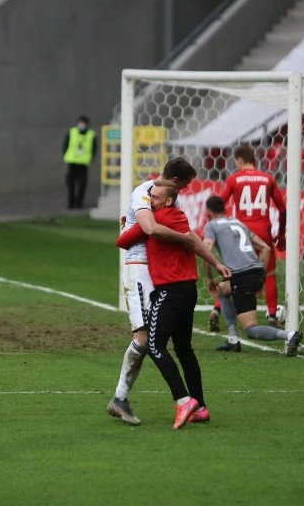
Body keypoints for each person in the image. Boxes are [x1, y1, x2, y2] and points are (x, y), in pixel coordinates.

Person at [116, 179, 231, 428]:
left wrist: (126, 225)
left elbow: (124, 241)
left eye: (155, 197)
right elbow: (192, 239)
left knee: (155, 346)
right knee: (184, 349)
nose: (150, 200)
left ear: (168, 199)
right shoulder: (180, 217)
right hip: (189, 290)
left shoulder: (156, 221)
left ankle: (182, 400)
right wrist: (217, 263)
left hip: (169, 291)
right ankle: (200, 406)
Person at [106, 157, 198, 426]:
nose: (182, 193)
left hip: (157, 272)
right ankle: (121, 398)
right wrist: (183, 239)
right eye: (184, 186)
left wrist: (214, 261)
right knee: (146, 338)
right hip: (139, 269)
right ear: (175, 182)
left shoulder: (169, 199)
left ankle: (192, 402)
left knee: (162, 341)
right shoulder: (145, 193)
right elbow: (147, 228)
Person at [201, 196, 303, 356]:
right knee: (222, 290)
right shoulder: (237, 223)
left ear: (208, 212)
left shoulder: (211, 226)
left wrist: (209, 277)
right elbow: (266, 248)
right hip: (255, 272)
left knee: (250, 329)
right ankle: (233, 339)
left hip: (242, 277)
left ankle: (289, 335)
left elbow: (205, 250)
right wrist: (260, 278)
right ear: (225, 210)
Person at [219, 144, 287, 329]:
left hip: (242, 231)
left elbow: (219, 203)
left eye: (236, 162)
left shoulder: (234, 179)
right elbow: (282, 209)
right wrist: (281, 235)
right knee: (270, 273)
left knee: (234, 272)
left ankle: (216, 311)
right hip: (264, 231)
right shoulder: (268, 179)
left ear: (240, 160)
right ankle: (272, 315)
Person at [62, 115, 97, 209]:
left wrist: (90, 159)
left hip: (83, 163)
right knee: (71, 183)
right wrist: (65, 155)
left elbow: (94, 148)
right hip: (72, 162)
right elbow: (65, 145)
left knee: (82, 184)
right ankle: (71, 203)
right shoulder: (72, 132)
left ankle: (79, 203)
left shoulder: (91, 134)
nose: (82, 125)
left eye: (83, 123)